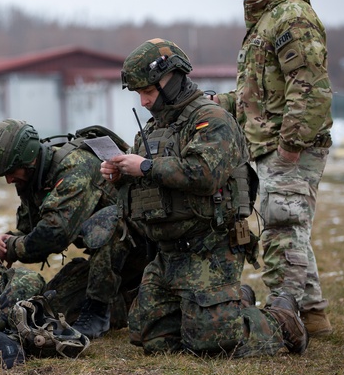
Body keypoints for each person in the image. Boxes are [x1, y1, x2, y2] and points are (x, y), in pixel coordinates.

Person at [102, 38, 308, 357]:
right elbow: (149, 191)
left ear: (170, 82)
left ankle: (280, 321)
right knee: (153, 339)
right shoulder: (155, 128)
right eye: (139, 94)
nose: (143, 101)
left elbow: (204, 174)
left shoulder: (211, 119)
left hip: (209, 248)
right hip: (169, 254)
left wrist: (144, 166)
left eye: (148, 92)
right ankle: (231, 302)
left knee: (209, 343)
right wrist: (120, 177)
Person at [212, 0, 334, 337]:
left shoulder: (292, 17)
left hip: (288, 148)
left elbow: (309, 86)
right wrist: (221, 102)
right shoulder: (267, 18)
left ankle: (285, 315)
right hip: (269, 145)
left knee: (282, 228)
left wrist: (290, 146)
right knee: (288, 225)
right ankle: (313, 315)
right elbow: (262, 91)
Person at [0, 119, 149, 340]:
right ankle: (127, 301)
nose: (9, 179)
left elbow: (55, 233)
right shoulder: (34, 178)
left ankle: (98, 310)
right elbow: (31, 231)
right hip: (109, 265)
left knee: (110, 219)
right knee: (49, 309)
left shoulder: (74, 166)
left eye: (12, 171)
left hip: (144, 248)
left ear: (29, 158)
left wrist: (15, 247)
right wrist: (9, 240)